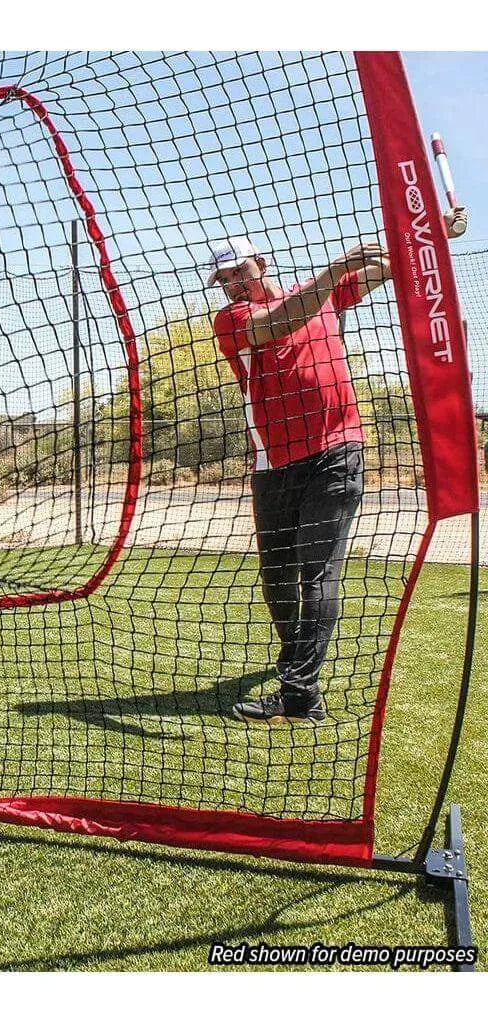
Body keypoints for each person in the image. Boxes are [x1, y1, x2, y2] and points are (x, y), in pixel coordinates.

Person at [209, 236, 391, 724]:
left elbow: (387, 267)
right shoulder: (232, 320)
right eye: (222, 280)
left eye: (238, 273)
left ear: (260, 264)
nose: (231, 285)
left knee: (318, 571)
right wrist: (332, 272)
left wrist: (435, 228)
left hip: (337, 452)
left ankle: (299, 695)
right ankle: (297, 660)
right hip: (273, 465)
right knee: (277, 577)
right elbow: (280, 322)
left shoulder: (320, 293)